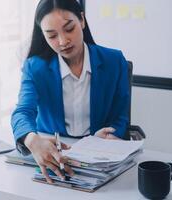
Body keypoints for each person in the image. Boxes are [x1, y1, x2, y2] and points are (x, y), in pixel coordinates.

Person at [11, 0, 130, 183]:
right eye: (51, 35)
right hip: (53, 158)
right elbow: (22, 112)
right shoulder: (35, 67)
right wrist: (33, 141)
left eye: (69, 28)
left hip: (97, 159)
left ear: (81, 20)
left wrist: (105, 139)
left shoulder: (114, 61)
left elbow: (120, 116)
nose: (63, 41)